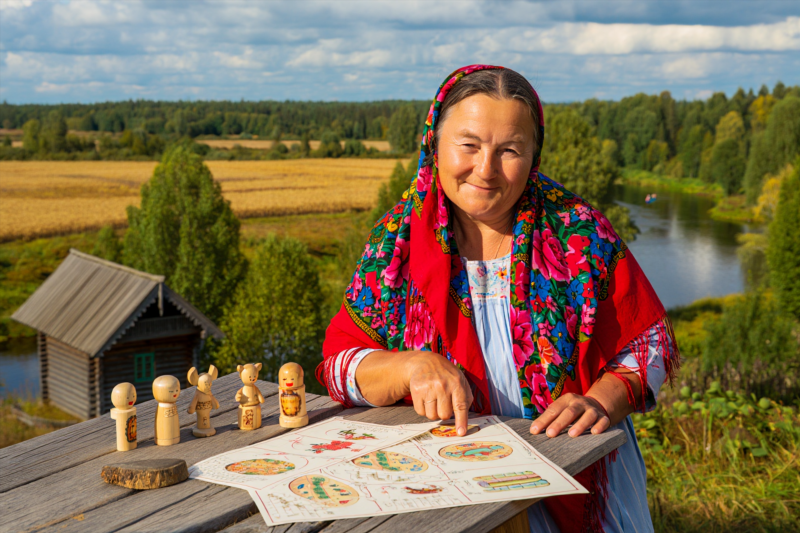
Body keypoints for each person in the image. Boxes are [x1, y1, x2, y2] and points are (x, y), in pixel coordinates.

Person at [318, 65, 679, 533]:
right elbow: (337, 367)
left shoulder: (578, 232)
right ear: (434, 143)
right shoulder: (398, 244)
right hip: (449, 492)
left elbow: (650, 344)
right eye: (468, 144)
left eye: (509, 150)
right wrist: (409, 366)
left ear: (533, 156)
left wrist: (600, 402)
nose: (485, 169)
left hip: (575, 482)